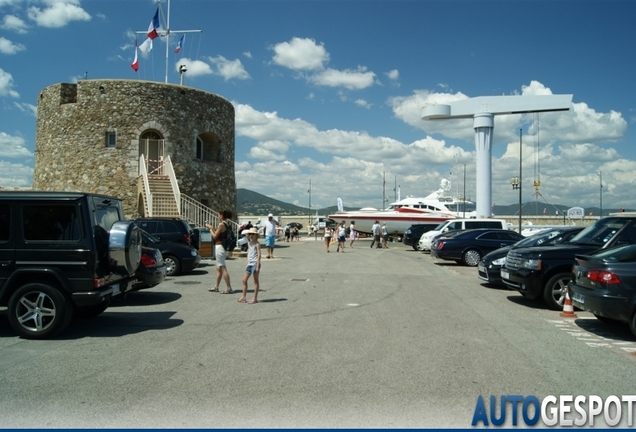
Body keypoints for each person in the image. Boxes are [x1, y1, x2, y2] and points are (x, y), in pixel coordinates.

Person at [206, 210, 233, 294]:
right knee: (219, 268)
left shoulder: (221, 224)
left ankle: (229, 288)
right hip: (224, 247)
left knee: (223, 268)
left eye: (218, 215)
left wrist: (210, 228)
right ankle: (216, 286)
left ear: (222, 215)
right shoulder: (227, 224)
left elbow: (215, 236)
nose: (218, 216)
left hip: (220, 246)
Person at [237, 227, 261, 304]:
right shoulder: (249, 243)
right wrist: (247, 263)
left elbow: (259, 255)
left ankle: (255, 298)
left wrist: (257, 266)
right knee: (244, 280)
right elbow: (248, 254)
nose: (251, 235)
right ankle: (243, 296)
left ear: (256, 235)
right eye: (250, 234)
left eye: (253, 234)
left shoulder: (257, 244)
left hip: (255, 264)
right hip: (250, 264)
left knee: (255, 281)